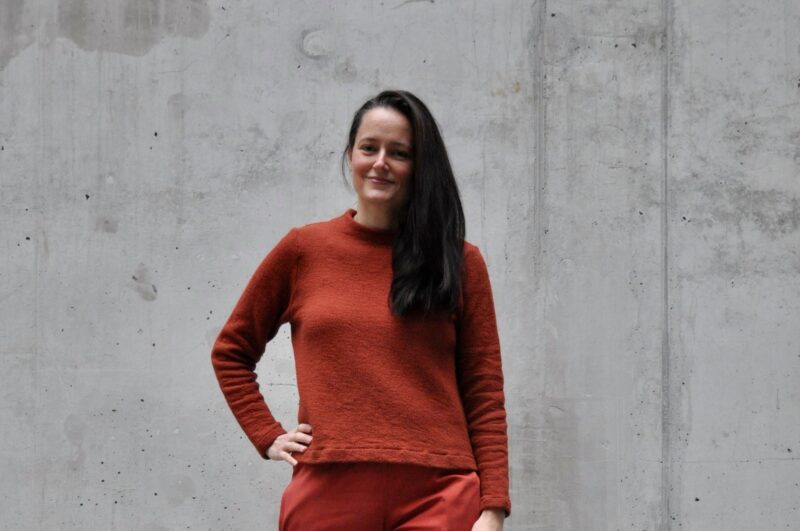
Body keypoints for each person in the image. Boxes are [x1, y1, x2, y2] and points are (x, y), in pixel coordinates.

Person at [211, 89, 510, 530]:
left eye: (399, 153)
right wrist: (268, 435)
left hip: (440, 491)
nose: (380, 163)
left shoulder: (460, 262)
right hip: (328, 487)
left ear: (420, 166)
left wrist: (493, 508)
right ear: (351, 154)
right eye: (369, 148)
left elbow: (484, 391)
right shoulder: (304, 250)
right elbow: (231, 351)